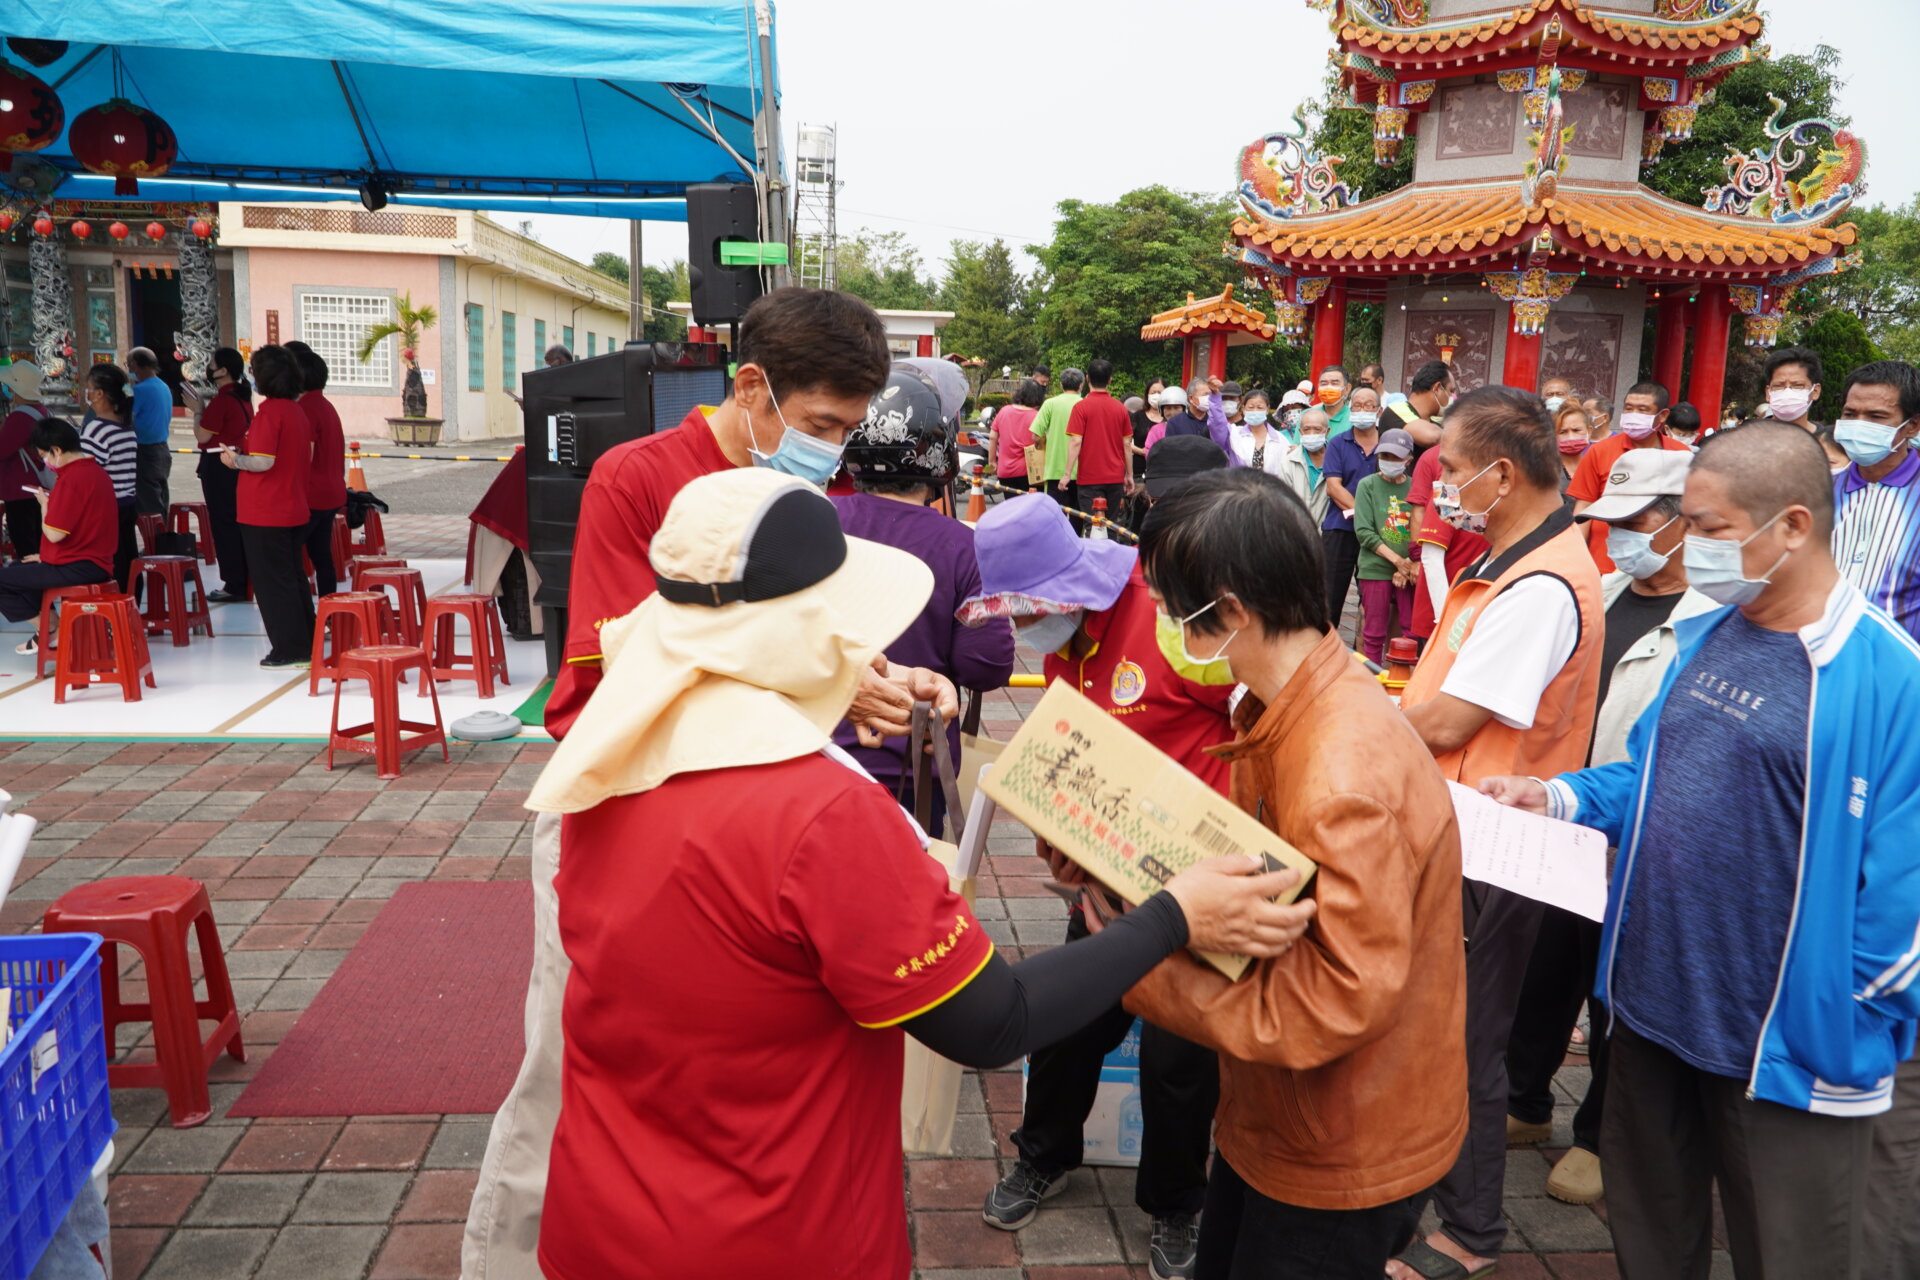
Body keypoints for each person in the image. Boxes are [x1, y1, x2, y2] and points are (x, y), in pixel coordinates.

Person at [526, 466, 1311, 1280]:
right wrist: (1174, 914)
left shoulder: (611, 760)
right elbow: (992, 1023)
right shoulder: (819, 815)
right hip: (771, 1233)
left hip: (601, 1212)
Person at [465, 288, 960, 1280]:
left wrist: (872, 677)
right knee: (569, 1060)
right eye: (820, 425)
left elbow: (801, 644)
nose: (833, 450)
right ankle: (513, 1257)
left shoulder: (794, 494)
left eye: (847, 431)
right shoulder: (637, 476)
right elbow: (623, 679)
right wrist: (829, 688)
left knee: (730, 1075)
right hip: (624, 807)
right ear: (752, 388)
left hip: (744, 827)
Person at [1483, 420, 1920, 1280]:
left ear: (1792, 526)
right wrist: (1558, 794)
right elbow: (1651, 769)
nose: (1692, 547)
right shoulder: (1713, 630)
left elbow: (1902, 912)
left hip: (1780, 1049)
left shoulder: (1887, 681)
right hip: (1649, 1012)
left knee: (1793, 1252)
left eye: (1712, 529)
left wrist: (1842, 1022)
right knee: (1652, 1235)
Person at [1125, 467, 1467, 1280]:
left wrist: (1143, 966)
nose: (1171, 628)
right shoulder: (1298, 704)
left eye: (1178, 611)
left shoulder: (1342, 771)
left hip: (1340, 1140)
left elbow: (1332, 1000)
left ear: (1232, 611)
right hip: (1288, 1117)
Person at [963, 488, 1238, 1280]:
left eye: (1029, 611)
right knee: (1065, 1027)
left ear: (1071, 583)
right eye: (1010, 616)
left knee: (1180, 1064)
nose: (1022, 632)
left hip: (1192, 890)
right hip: (1106, 886)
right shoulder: (1064, 644)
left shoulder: (1168, 620)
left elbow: (1256, 717)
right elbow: (1075, 756)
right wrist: (1061, 845)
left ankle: (1178, 1205)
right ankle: (1042, 1155)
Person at [1390, 386, 1603, 1280]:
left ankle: (1471, 1232)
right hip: (1470, 827)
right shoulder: (1515, 563)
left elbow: (1449, 723)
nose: (1441, 485)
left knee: (1462, 1037)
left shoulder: (1543, 584)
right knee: (1447, 1029)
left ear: (1502, 474)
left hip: (1492, 840)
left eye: (1452, 469)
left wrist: (1362, 723)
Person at [1503, 449, 1713, 1209]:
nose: (1620, 537)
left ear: (1689, 523)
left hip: (1644, 834)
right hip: (1564, 811)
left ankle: (1598, 1135)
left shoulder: (1713, 619)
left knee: (1615, 990)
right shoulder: (1602, 589)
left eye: (1637, 524)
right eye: (1610, 523)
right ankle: (1526, 1102)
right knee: (1543, 969)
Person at [832, 362, 1015, 834]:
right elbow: (987, 666)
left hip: (810, 759)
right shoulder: (963, 545)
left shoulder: (809, 520)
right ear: (937, 454)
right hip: (912, 776)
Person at [221, 345, 315, 668]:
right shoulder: (295, 410)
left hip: (266, 510)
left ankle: (290, 648)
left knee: (273, 583)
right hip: (291, 506)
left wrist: (235, 461)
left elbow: (262, 462)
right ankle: (306, 640)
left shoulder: (271, 413)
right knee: (291, 577)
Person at [0, 417, 115, 645]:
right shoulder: (96, 473)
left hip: (80, 566)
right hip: (92, 560)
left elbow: (54, 534)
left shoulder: (70, 480)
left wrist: (45, 505)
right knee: (21, 567)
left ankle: (52, 627)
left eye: (44, 456)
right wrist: (46, 557)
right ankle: (51, 627)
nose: (45, 462)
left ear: (57, 450)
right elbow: (85, 527)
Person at [1829, 360, 1920, 647]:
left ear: (1912, 425)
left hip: (1900, 670)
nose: (1859, 425)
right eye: (1850, 413)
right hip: (1816, 662)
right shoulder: (1817, 491)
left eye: (1876, 416)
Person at [1567, 381, 1692, 572]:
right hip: (1604, 562)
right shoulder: (1599, 451)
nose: (1634, 415)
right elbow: (1584, 505)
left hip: (1662, 561)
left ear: (1663, 416)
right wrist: (1575, 557)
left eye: (1643, 410)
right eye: (1629, 408)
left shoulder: (1681, 455)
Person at [1406, 427, 1490, 655]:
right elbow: (1431, 558)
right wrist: (1445, 617)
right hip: (1443, 611)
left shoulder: (1493, 495)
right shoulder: (1447, 494)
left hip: (1476, 608)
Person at [187, 348, 253, 602]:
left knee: (224, 524)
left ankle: (233, 583)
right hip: (234, 464)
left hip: (218, 464)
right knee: (234, 523)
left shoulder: (223, 401)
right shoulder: (242, 397)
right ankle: (241, 579)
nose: (209, 368)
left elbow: (202, 436)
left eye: (213, 364)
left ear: (223, 370)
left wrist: (197, 410)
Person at [284, 342, 347, 597]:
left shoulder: (306, 409)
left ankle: (304, 617)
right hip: (332, 493)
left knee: (290, 555)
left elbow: (304, 457)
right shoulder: (326, 405)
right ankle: (329, 614)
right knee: (322, 556)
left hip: (313, 495)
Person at [1320, 385, 1382, 638]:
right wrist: (1364, 517)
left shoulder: (1390, 446)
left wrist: (1371, 525)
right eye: (1357, 405)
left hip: (1379, 534)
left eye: (1369, 406)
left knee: (1371, 601)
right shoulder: (1338, 443)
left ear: (1379, 411)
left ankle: (1364, 655)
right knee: (1329, 597)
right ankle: (1322, 652)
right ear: (1350, 409)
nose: (1362, 410)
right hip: (1340, 528)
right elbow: (1334, 487)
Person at [1353, 427, 1418, 665]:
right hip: (1375, 567)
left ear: (1409, 459)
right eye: (1385, 456)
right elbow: (1364, 532)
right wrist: (1398, 562)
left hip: (1409, 571)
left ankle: (1406, 684)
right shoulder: (1367, 485)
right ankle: (1372, 684)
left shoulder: (1415, 487)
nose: (1389, 462)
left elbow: (1420, 528)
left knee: (1411, 631)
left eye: (1396, 457)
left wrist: (1409, 563)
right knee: (1373, 634)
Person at [78, 363, 139, 590]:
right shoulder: (126, 426)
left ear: (100, 394)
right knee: (126, 557)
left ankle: (113, 608)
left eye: (89, 389)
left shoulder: (96, 429)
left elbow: (86, 472)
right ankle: (128, 603)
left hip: (104, 507)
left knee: (109, 563)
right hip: (127, 502)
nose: (88, 394)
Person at [1067, 359, 1134, 521]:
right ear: (1110, 379)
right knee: (1110, 526)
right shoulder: (1120, 408)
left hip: (1089, 477)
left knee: (1092, 525)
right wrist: (1129, 475)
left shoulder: (1081, 407)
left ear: (1087, 378)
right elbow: (1127, 444)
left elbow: (1076, 442)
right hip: (1114, 477)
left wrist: (1067, 474)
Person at [0, 360, 51, 560]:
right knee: (36, 541)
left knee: (26, 546)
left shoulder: (20, 417)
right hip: (35, 488)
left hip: (20, 490)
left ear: (14, 389)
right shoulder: (40, 410)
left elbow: (3, 450)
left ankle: (32, 588)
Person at [125, 346, 173, 517]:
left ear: (136, 365)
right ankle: (162, 538)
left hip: (145, 451)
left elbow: (125, 418)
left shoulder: (139, 390)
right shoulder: (163, 387)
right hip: (162, 450)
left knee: (149, 504)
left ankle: (155, 541)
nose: (129, 369)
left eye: (128, 365)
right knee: (160, 498)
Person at [1029, 366, 1085, 508]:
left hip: (1055, 470)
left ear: (1061, 385)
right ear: (1081, 385)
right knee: (1077, 519)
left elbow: (1035, 436)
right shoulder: (1085, 405)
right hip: (1082, 471)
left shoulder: (1050, 404)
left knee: (1054, 516)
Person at [989, 377, 1044, 494]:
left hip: (1005, 472)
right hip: (1028, 473)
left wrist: (992, 462)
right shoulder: (1036, 416)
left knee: (1012, 507)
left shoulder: (1004, 411)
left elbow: (993, 437)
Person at [1386, 360, 1453, 452]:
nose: (1452, 397)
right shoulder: (1397, 410)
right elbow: (1431, 437)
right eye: (1451, 391)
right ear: (1437, 388)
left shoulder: (1435, 423)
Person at [1763, 344, 1824, 432]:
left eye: (1798, 386)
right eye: (1778, 386)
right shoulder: (1746, 438)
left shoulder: (1827, 443)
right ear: (1768, 393)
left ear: (1815, 391)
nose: (1787, 392)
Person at [1292, 407, 1331, 526]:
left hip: (1330, 533)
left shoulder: (1339, 460)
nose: (1311, 434)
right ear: (1300, 432)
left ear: (1327, 431)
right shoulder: (1289, 462)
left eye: (1317, 429)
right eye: (1307, 429)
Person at [1554, 401, 1593, 508]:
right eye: (1563, 432)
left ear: (1589, 431)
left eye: (1576, 430)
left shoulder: (1596, 466)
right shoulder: (1547, 470)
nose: (1571, 437)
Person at [1144, 385, 1189, 453]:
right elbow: (1150, 452)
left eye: (1176, 407)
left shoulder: (1190, 427)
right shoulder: (1156, 431)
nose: (1172, 412)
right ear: (1161, 410)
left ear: (1184, 409)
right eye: (1168, 408)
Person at [1317, 364, 1352, 435]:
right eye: (1324, 384)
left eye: (1334, 383)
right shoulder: (1306, 415)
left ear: (1347, 388)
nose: (1328, 388)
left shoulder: (1354, 419)